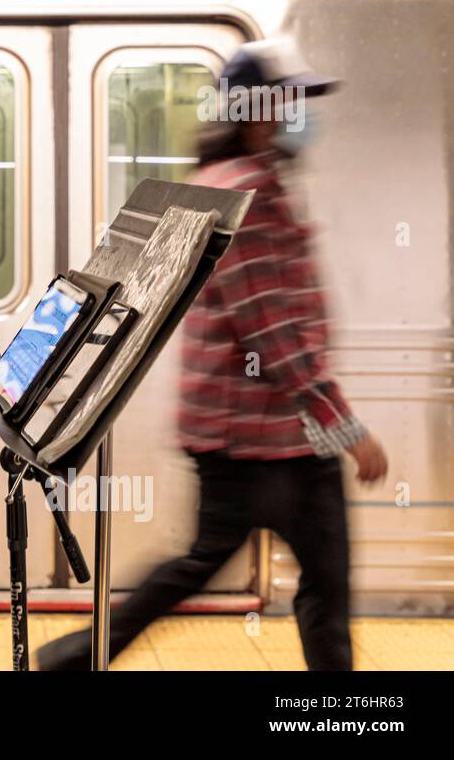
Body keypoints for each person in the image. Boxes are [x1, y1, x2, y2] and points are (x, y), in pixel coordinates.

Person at [36, 38, 387, 671]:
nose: (292, 116)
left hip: (252, 433)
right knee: (319, 585)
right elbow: (271, 329)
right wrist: (345, 425)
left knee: (220, 566)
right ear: (257, 111)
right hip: (271, 439)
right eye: (285, 102)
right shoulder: (245, 193)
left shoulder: (230, 182)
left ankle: (77, 657)